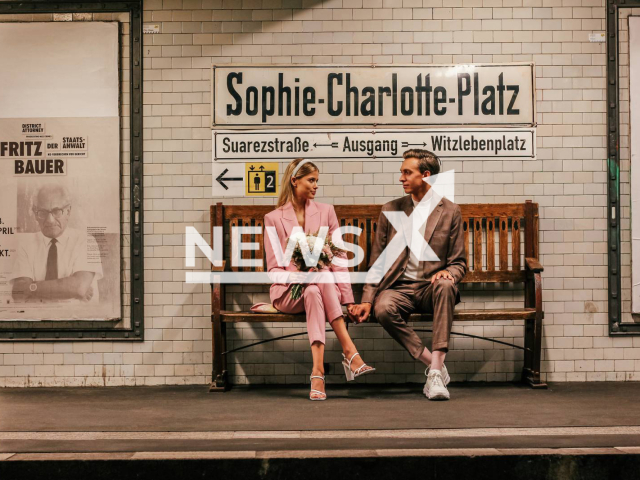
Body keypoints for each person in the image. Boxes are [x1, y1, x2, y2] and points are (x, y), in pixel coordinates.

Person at [351, 149, 467, 401]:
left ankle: (435, 373)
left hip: (431, 288)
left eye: (407, 172)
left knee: (447, 285)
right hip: (399, 288)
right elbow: (378, 261)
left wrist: (448, 272)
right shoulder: (391, 209)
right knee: (382, 308)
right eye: (401, 172)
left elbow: (459, 263)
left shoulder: (450, 211)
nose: (401, 178)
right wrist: (367, 300)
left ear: (426, 176)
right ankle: (434, 367)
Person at [264, 158, 375, 401]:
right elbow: (273, 269)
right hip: (288, 292)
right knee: (317, 279)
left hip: (321, 292)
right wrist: (301, 275)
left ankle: (317, 373)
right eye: (311, 180)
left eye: (317, 181)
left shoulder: (326, 211)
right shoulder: (273, 218)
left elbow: (339, 258)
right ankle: (350, 351)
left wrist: (348, 301)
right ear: (294, 181)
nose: (316, 186)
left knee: (316, 287)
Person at [10, 183, 103, 304]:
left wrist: (31, 287)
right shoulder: (26, 244)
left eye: (57, 211)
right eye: (42, 212)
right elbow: (19, 292)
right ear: (34, 212)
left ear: (68, 211)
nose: (50, 220)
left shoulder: (86, 241)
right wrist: (69, 289)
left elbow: (79, 287)